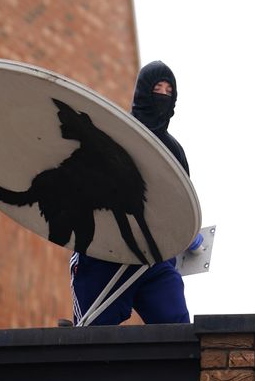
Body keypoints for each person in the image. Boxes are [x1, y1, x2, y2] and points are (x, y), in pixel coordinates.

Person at [69, 61, 190, 326]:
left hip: (151, 259)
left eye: (169, 91)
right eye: (157, 88)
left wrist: (186, 235)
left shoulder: (175, 153)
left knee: (178, 331)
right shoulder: (112, 135)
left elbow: (182, 205)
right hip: (104, 252)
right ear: (143, 91)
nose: (163, 95)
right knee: (91, 337)